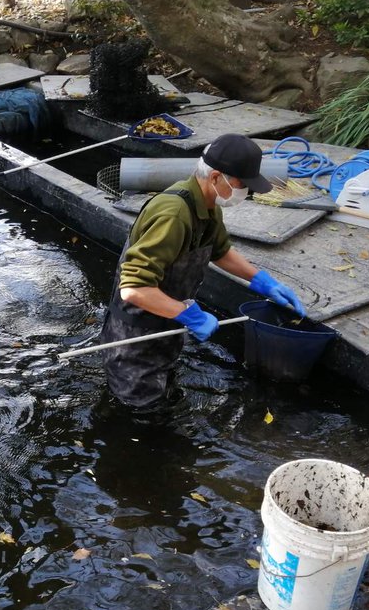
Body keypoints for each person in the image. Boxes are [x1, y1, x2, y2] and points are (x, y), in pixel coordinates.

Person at [100, 133, 307, 411]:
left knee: (165, 397)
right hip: (135, 338)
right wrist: (189, 314)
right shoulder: (174, 215)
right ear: (216, 177)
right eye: (242, 184)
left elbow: (219, 251)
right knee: (142, 414)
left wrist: (262, 281)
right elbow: (134, 289)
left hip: (166, 325)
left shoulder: (207, 206)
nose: (246, 192)